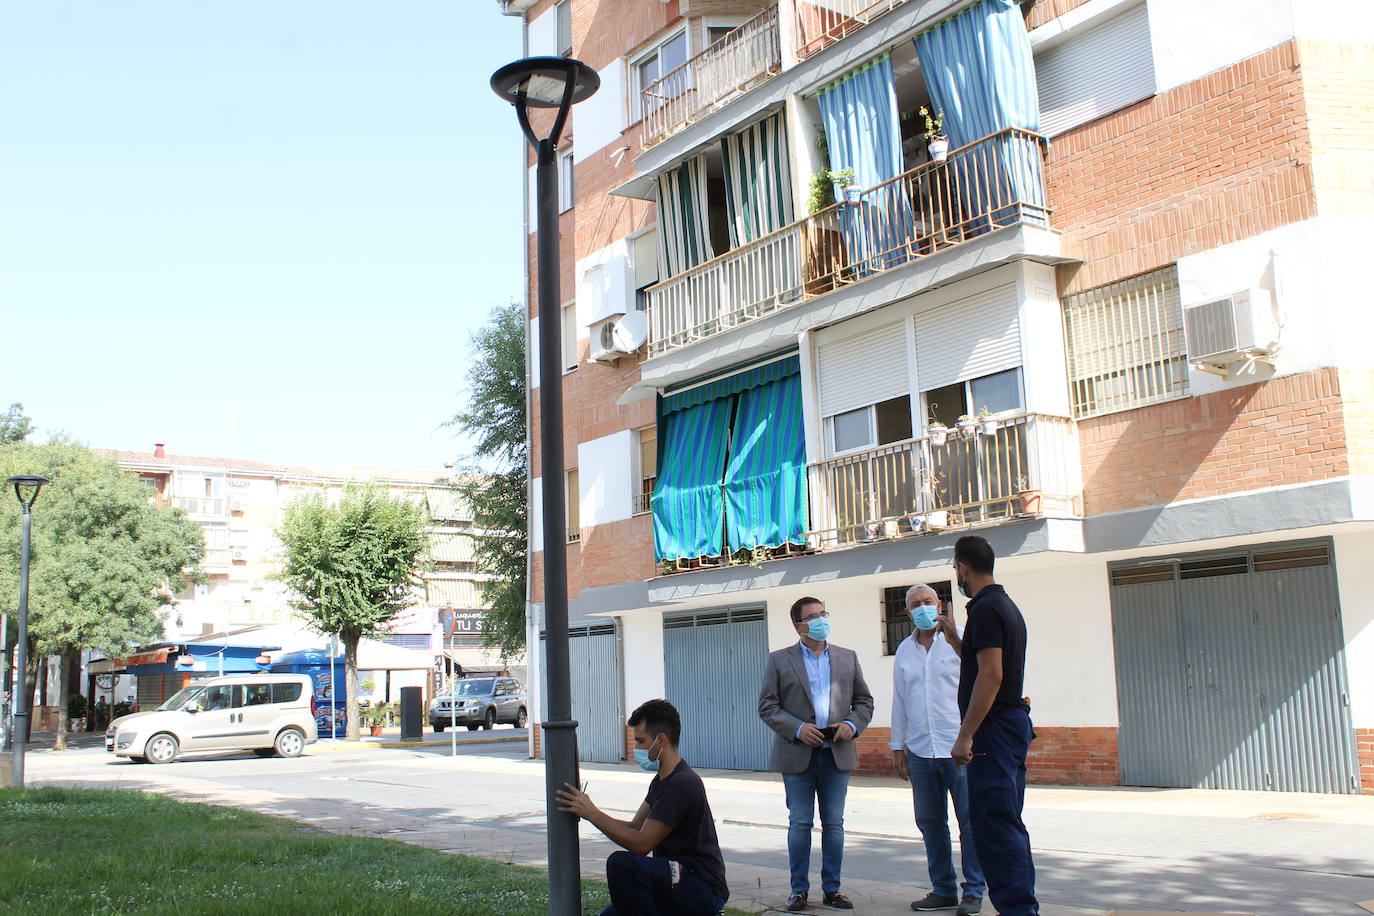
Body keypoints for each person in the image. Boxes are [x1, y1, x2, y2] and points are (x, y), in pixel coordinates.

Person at [556, 698, 728, 916]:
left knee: (621, 865)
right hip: (675, 880)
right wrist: (590, 812)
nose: (636, 749)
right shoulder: (661, 781)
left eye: (640, 741)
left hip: (701, 887)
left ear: (661, 740)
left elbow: (641, 844)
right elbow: (636, 827)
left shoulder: (680, 784)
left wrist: (593, 814)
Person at [758, 596, 875, 912]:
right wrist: (797, 728)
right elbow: (767, 706)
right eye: (813, 616)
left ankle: (832, 890)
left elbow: (864, 702)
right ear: (798, 625)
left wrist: (852, 723)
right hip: (798, 754)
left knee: (834, 824)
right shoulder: (780, 660)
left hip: (836, 752)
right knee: (799, 822)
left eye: (824, 613)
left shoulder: (847, 658)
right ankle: (798, 891)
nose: (821, 619)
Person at [949, 536, 1038, 916]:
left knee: (995, 826)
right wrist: (956, 640)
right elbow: (983, 665)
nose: (956, 573)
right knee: (1005, 822)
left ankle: (1018, 909)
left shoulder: (985, 609)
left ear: (963, 568)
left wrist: (965, 734)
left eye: (955, 567)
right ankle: (1021, 906)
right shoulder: (1004, 605)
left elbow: (991, 676)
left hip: (994, 730)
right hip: (1008, 723)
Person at [892, 585, 985, 915]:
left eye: (927, 602)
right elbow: (900, 700)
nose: (922, 608)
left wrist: (971, 736)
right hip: (919, 750)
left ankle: (973, 890)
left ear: (940, 605)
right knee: (930, 823)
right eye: (915, 605)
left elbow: (980, 677)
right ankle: (942, 888)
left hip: (958, 748)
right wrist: (897, 747)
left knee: (970, 823)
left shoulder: (961, 638)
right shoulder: (904, 650)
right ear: (908, 613)